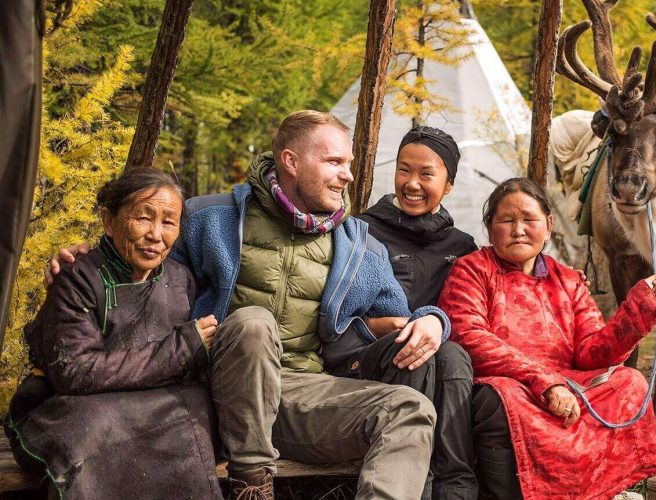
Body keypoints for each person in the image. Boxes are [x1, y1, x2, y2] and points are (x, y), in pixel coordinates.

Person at [45, 111, 449, 500]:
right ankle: (253, 484)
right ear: (290, 161)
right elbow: (145, 249)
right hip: (214, 390)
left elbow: (401, 312)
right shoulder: (211, 218)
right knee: (255, 322)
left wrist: (432, 321)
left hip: (298, 390)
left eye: (348, 164)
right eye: (334, 162)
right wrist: (87, 254)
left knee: (410, 410)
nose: (347, 174)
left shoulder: (357, 246)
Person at [438, 178, 656, 500]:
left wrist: (638, 310)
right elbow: (468, 334)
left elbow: (592, 353)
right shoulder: (472, 270)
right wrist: (544, 381)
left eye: (529, 220)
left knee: (629, 382)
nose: (518, 229)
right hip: (510, 385)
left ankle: (596, 490)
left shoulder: (569, 280)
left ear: (547, 226)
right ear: (490, 228)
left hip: (568, 383)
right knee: (502, 399)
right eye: (506, 220)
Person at [6, 170, 221, 499]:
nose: (155, 235)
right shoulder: (77, 276)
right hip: (79, 408)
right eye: (143, 218)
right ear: (108, 221)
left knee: (192, 413)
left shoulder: (180, 278)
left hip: (152, 407)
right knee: (93, 426)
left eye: (169, 222)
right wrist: (183, 349)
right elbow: (74, 371)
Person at [342, 126, 478, 499]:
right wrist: (373, 325)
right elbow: (336, 310)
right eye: (404, 170)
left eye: (426, 174)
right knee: (416, 349)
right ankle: (417, 487)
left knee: (451, 355)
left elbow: (474, 306)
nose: (412, 183)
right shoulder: (362, 231)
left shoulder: (462, 246)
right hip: (371, 361)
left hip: (439, 360)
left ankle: (455, 489)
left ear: (448, 184)